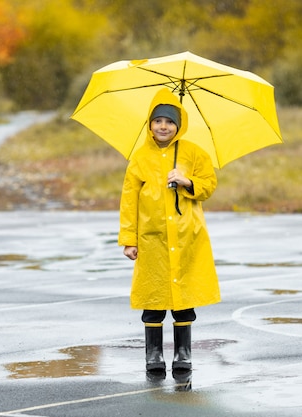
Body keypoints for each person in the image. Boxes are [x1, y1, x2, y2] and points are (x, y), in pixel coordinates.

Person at [118, 88, 221, 375]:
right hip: (152, 240)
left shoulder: (192, 152)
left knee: (183, 300)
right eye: (158, 121)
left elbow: (209, 184)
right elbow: (129, 200)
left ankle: (183, 353)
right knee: (154, 298)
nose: (164, 127)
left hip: (188, 237)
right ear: (149, 125)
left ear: (179, 125)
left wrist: (187, 181)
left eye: (170, 122)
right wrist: (129, 239)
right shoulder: (139, 159)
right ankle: (153, 355)